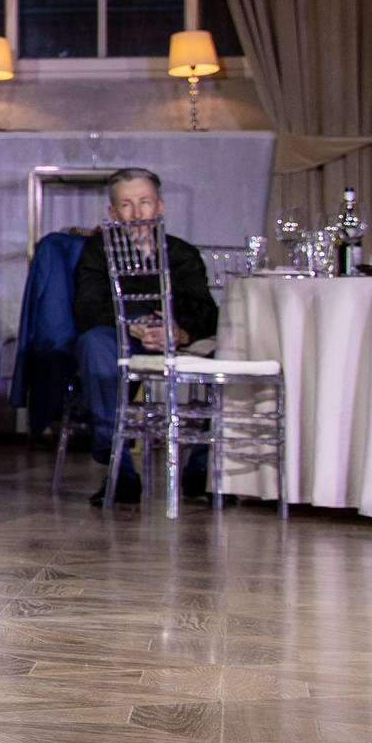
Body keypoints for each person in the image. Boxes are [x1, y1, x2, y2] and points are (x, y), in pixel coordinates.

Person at [75, 167, 217, 506]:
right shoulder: (98, 250)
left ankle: (202, 468)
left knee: (230, 352)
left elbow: (207, 313)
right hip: (123, 334)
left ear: (160, 206)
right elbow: (86, 308)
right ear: (112, 213)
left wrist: (179, 333)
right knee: (94, 345)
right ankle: (121, 472)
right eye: (126, 205)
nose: (137, 214)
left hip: (177, 336)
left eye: (145, 202)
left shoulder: (180, 253)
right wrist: (133, 326)